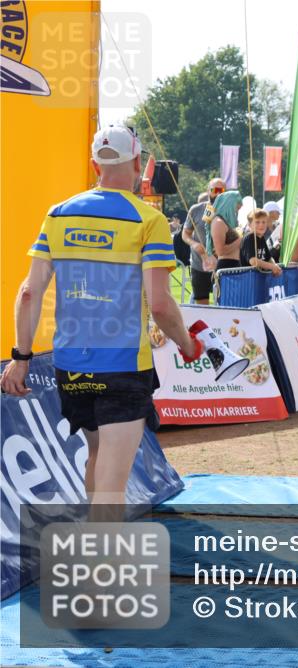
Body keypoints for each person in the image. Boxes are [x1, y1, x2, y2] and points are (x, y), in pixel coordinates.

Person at [0, 125, 201, 518]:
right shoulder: (149, 220)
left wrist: (21, 357)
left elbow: (29, 292)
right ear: (138, 163)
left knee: (96, 456)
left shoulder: (58, 214)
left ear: (94, 164)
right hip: (124, 364)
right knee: (113, 481)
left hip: (71, 364)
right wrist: (188, 345)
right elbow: (160, 305)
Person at [182, 179, 226, 304]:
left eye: (221, 191)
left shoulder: (229, 211)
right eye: (214, 190)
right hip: (198, 265)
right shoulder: (196, 209)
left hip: (221, 266)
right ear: (208, 191)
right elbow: (185, 234)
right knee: (202, 306)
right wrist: (194, 244)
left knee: (223, 304)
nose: (217, 194)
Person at [207, 190, 243, 272]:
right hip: (226, 266)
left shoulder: (227, 221)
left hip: (234, 264)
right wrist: (240, 241)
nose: (237, 212)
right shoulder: (218, 222)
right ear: (228, 205)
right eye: (236, 208)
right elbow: (220, 251)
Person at [240, 209, 282, 277]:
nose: (261, 225)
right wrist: (272, 267)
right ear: (249, 225)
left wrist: (274, 266)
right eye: (257, 222)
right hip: (248, 279)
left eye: (264, 222)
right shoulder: (249, 238)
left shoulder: (261, 238)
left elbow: (269, 258)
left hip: (260, 278)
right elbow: (253, 261)